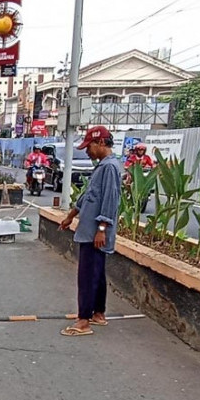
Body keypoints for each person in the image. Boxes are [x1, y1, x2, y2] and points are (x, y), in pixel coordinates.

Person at [59, 126, 122, 336]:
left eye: (90, 146)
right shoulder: (102, 167)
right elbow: (89, 196)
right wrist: (71, 215)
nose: (87, 151)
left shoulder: (110, 168)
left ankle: (83, 321)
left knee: (87, 275)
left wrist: (102, 228)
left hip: (95, 232)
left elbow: (110, 201)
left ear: (101, 143)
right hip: (90, 230)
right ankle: (98, 313)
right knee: (97, 272)